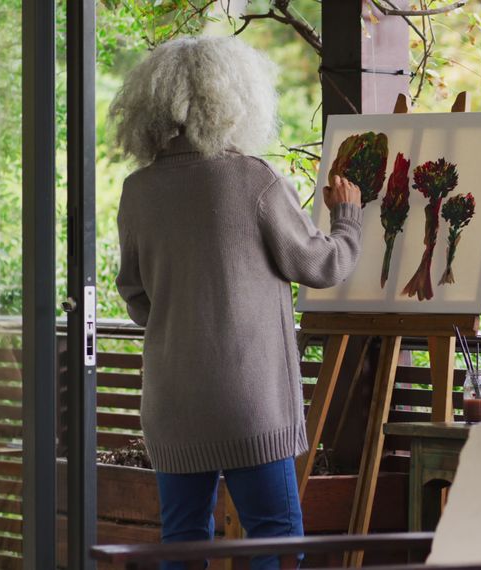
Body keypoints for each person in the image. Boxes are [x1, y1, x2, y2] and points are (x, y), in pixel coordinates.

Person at [109, 36, 363, 570]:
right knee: (272, 535)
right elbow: (321, 266)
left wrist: (185, 322)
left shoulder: (138, 191)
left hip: (173, 400)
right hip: (249, 403)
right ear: (233, 101)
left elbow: (135, 294)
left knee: (183, 541)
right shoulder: (252, 178)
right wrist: (347, 218)